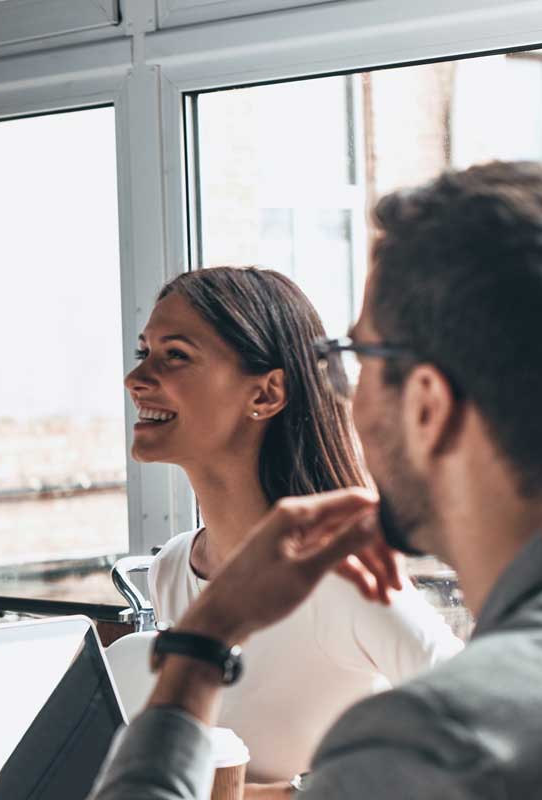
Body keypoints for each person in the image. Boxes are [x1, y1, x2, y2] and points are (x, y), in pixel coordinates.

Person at [91, 161, 542, 798]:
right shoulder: (173, 569)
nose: (344, 396)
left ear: (427, 405)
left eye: (357, 359)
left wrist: (198, 653)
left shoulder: (425, 736)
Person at [125, 266, 461, 780]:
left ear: (265, 395)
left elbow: (489, 730)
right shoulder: (173, 568)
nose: (137, 379)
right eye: (143, 353)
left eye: (176, 356)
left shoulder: (345, 581)